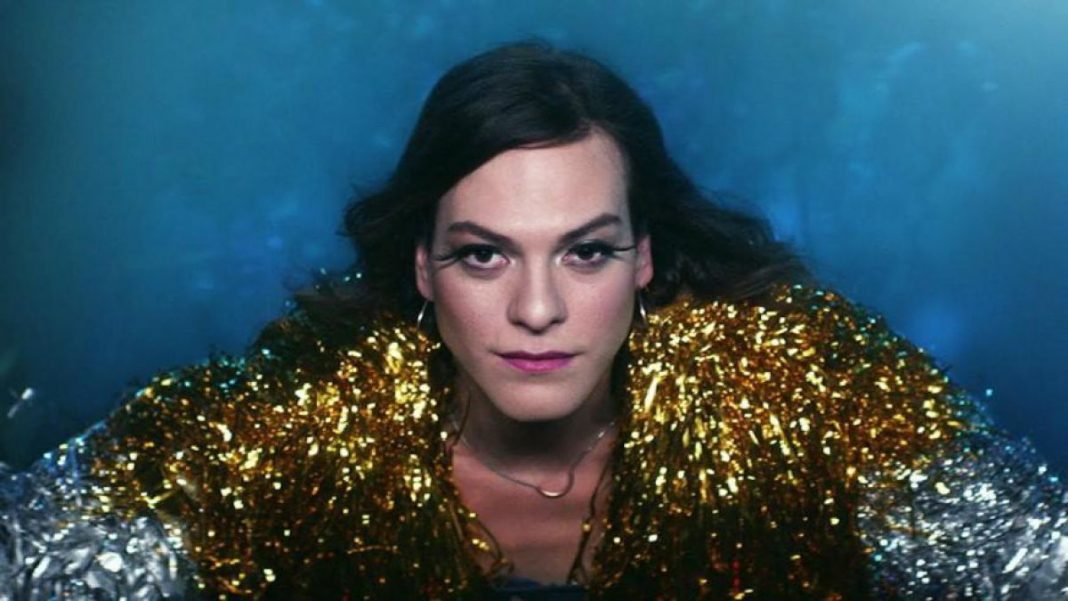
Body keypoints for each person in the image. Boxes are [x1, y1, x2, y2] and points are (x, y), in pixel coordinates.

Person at [2, 41, 1066, 600]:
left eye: (586, 250)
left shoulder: (795, 398)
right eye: (484, 253)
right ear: (422, 266)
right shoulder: (292, 427)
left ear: (645, 259)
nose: (539, 307)